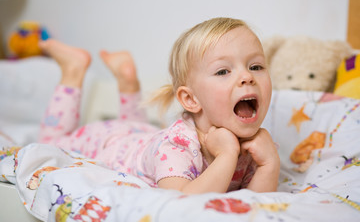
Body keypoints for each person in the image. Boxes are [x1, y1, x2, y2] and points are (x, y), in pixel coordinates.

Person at [38, 17, 280, 194]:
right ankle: (73, 70)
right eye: (223, 71)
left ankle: (127, 81)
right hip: (110, 142)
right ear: (190, 100)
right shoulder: (176, 145)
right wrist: (227, 155)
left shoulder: (253, 144)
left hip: (144, 138)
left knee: (137, 127)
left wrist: (269, 164)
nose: (247, 77)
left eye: (256, 66)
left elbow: (251, 204)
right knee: (48, 146)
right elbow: (182, 202)